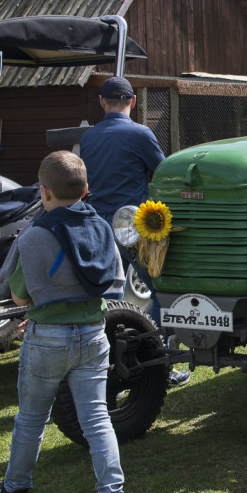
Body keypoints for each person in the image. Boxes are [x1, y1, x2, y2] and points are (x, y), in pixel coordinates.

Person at [0, 151, 128, 493]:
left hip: (46, 337)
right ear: (85, 190)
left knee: (31, 419)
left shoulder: (33, 235)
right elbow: (113, 283)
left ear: (43, 193)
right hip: (94, 336)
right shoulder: (101, 226)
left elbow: (18, 297)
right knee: (97, 419)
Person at [80, 77, 188, 386]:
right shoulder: (141, 133)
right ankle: (160, 365)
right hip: (135, 228)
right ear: (134, 101)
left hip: (100, 228)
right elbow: (164, 171)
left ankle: (98, 367)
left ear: (102, 102)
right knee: (159, 292)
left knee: (105, 298)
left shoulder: (89, 138)